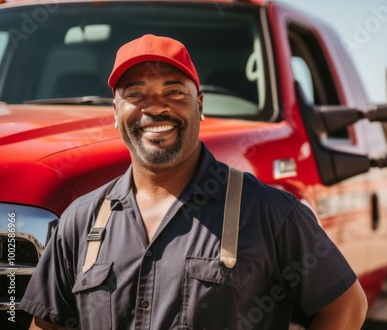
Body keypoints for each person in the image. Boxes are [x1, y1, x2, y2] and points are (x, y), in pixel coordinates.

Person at [20, 34, 367, 330]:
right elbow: (46, 323)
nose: (155, 108)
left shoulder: (270, 213)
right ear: (115, 112)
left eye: (173, 92)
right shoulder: (80, 220)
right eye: (136, 94)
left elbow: (345, 308)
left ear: (199, 106)